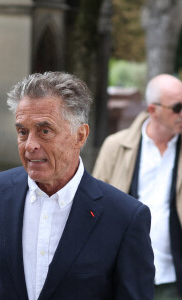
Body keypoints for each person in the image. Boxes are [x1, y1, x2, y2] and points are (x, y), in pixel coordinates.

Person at [0, 71, 155, 300]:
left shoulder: (125, 217)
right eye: (22, 132)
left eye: (44, 131)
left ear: (80, 136)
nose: (30, 145)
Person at [93, 74, 182, 300]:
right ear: (153, 110)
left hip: (173, 277)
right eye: (177, 107)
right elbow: (93, 206)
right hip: (123, 274)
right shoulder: (116, 146)